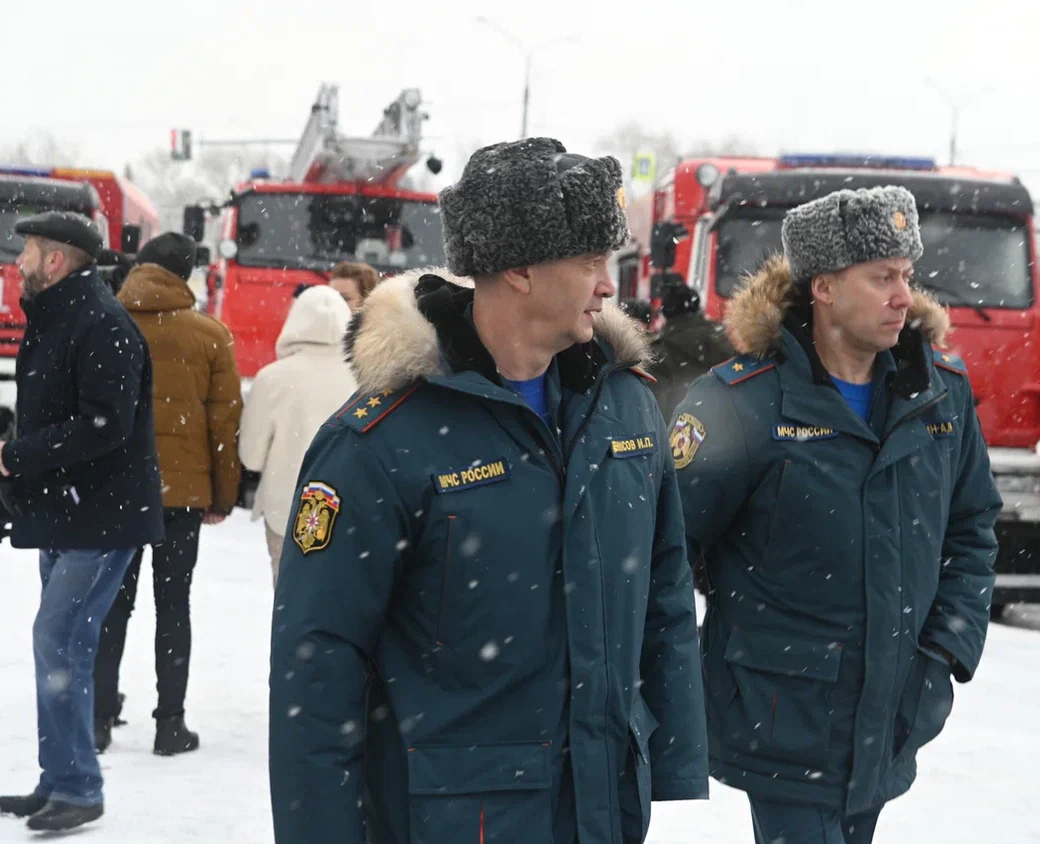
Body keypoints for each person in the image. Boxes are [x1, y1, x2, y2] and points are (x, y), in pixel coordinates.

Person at [269, 137, 709, 843]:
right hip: (456, 817)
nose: (609, 285)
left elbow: (662, 582)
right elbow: (317, 666)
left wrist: (669, 755)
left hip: (603, 805)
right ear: (519, 269)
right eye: (592, 261)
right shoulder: (381, 441)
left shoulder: (624, 407)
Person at [671, 186, 1001, 844]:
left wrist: (942, 654)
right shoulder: (738, 403)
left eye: (906, 276)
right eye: (881, 278)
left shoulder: (939, 394)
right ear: (823, 287)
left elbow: (973, 533)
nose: (903, 296)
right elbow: (665, 551)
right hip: (782, 714)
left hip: (894, 705)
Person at [0, 211, 163, 832]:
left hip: (101, 517)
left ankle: (80, 787)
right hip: (67, 511)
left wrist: (21, 456)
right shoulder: (57, 318)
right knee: (61, 645)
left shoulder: (102, 323)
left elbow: (105, 424)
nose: (19, 263)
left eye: (28, 252)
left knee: (57, 641)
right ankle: (59, 778)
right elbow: (38, 420)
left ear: (56, 260)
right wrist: (5, 485)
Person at [91, 233, 242, 756]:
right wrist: (223, 496)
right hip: (181, 495)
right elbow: (223, 423)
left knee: (111, 604)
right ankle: (170, 724)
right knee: (173, 606)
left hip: (115, 488)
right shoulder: (209, 335)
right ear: (186, 275)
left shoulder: (106, 323)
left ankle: (99, 716)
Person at [238, 284, 357, 585]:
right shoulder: (367, 377)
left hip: (286, 510)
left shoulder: (272, 378)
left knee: (289, 603)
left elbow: (251, 457)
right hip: (353, 510)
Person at [646, 281, 734, 424]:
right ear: (697, 307)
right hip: (724, 429)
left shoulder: (660, 352)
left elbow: (656, 410)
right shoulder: (726, 339)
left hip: (680, 434)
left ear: (665, 313)